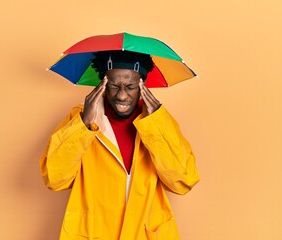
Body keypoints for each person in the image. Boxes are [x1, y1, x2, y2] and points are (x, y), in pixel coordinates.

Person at [40, 50, 200, 239]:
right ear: (103, 84)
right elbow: (54, 178)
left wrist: (156, 124)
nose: (122, 96)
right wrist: (83, 124)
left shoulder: (157, 122)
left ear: (142, 86)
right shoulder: (80, 119)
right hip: (94, 232)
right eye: (114, 86)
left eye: (130, 86)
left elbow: (183, 181)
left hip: (145, 233)